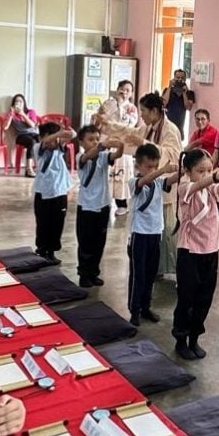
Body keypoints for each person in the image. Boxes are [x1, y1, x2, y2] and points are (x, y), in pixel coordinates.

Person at [172, 149, 219, 360]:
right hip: (190, 251)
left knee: (204, 298)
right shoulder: (185, 186)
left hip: (211, 250)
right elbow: (201, 184)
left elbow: (218, 187)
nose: (205, 174)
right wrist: (215, 175)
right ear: (187, 171)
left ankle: (194, 337)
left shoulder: (210, 187)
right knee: (186, 298)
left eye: (209, 170)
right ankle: (181, 339)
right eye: (200, 170)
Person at [107, 92, 183, 276]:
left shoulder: (170, 129)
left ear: (154, 111)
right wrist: (107, 126)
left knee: (164, 234)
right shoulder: (148, 127)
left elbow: (173, 155)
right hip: (147, 187)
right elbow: (131, 134)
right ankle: (151, 269)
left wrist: (144, 142)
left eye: (144, 111)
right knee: (147, 230)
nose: (141, 115)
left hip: (163, 188)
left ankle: (159, 269)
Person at [126, 144, 176, 326]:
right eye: (149, 167)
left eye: (155, 167)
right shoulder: (134, 182)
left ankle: (145, 307)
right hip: (139, 234)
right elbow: (143, 182)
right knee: (138, 275)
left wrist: (183, 170)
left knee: (150, 274)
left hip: (155, 233)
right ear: (138, 165)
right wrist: (162, 170)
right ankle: (134, 310)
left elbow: (170, 180)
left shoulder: (158, 182)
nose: (153, 171)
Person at [74, 124, 123, 287]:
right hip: (87, 207)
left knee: (99, 242)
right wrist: (102, 145)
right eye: (90, 139)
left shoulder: (103, 156)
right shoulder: (80, 156)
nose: (95, 142)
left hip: (103, 205)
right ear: (81, 142)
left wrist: (121, 145)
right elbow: (88, 157)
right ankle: (84, 274)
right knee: (85, 243)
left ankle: (94, 272)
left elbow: (116, 155)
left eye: (97, 139)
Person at [32, 121, 76, 265]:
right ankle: (41, 250)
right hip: (42, 193)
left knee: (57, 224)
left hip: (59, 192)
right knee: (43, 223)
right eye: (50, 137)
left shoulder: (59, 149)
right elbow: (46, 141)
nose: (53, 141)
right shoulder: (38, 148)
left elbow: (73, 134)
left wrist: (64, 133)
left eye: (56, 138)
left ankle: (51, 251)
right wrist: (57, 134)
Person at [97, 80, 138, 215]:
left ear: (131, 93)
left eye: (127, 90)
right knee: (105, 172)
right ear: (117, 89)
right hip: (107, 141)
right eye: (122, 89)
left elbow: (129, 125)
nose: (124, 92)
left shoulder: (132, 108)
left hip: (122, 143)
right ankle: (104, 201)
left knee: (122, 172)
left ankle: (122, 204)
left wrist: (120, 107)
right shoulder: (108, 103)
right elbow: (101, 120)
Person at [3, 93, 42, 177]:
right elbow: (5, 127)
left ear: (24, 103)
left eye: (21, 101)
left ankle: (43, 167)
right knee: (31, 141)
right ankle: (29, 169)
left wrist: (23, 114)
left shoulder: (31, 112)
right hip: (21, 136)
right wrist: (11, 115)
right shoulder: (11, 114)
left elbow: (33, 125)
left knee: (40, 140)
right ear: (13, 104)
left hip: (34, 134)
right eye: (16, 101)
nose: (19, 103)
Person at [161, 68, 195, 137]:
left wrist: (184, 93)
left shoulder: (189, 93)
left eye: (182, 78)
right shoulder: (167, 91)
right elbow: (163, 104)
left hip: (180, 128)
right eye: (178, 77)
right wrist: (169, 87)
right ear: (174, 78)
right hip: (167, 125)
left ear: (185, 79)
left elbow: (188, 107)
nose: (180, 80)